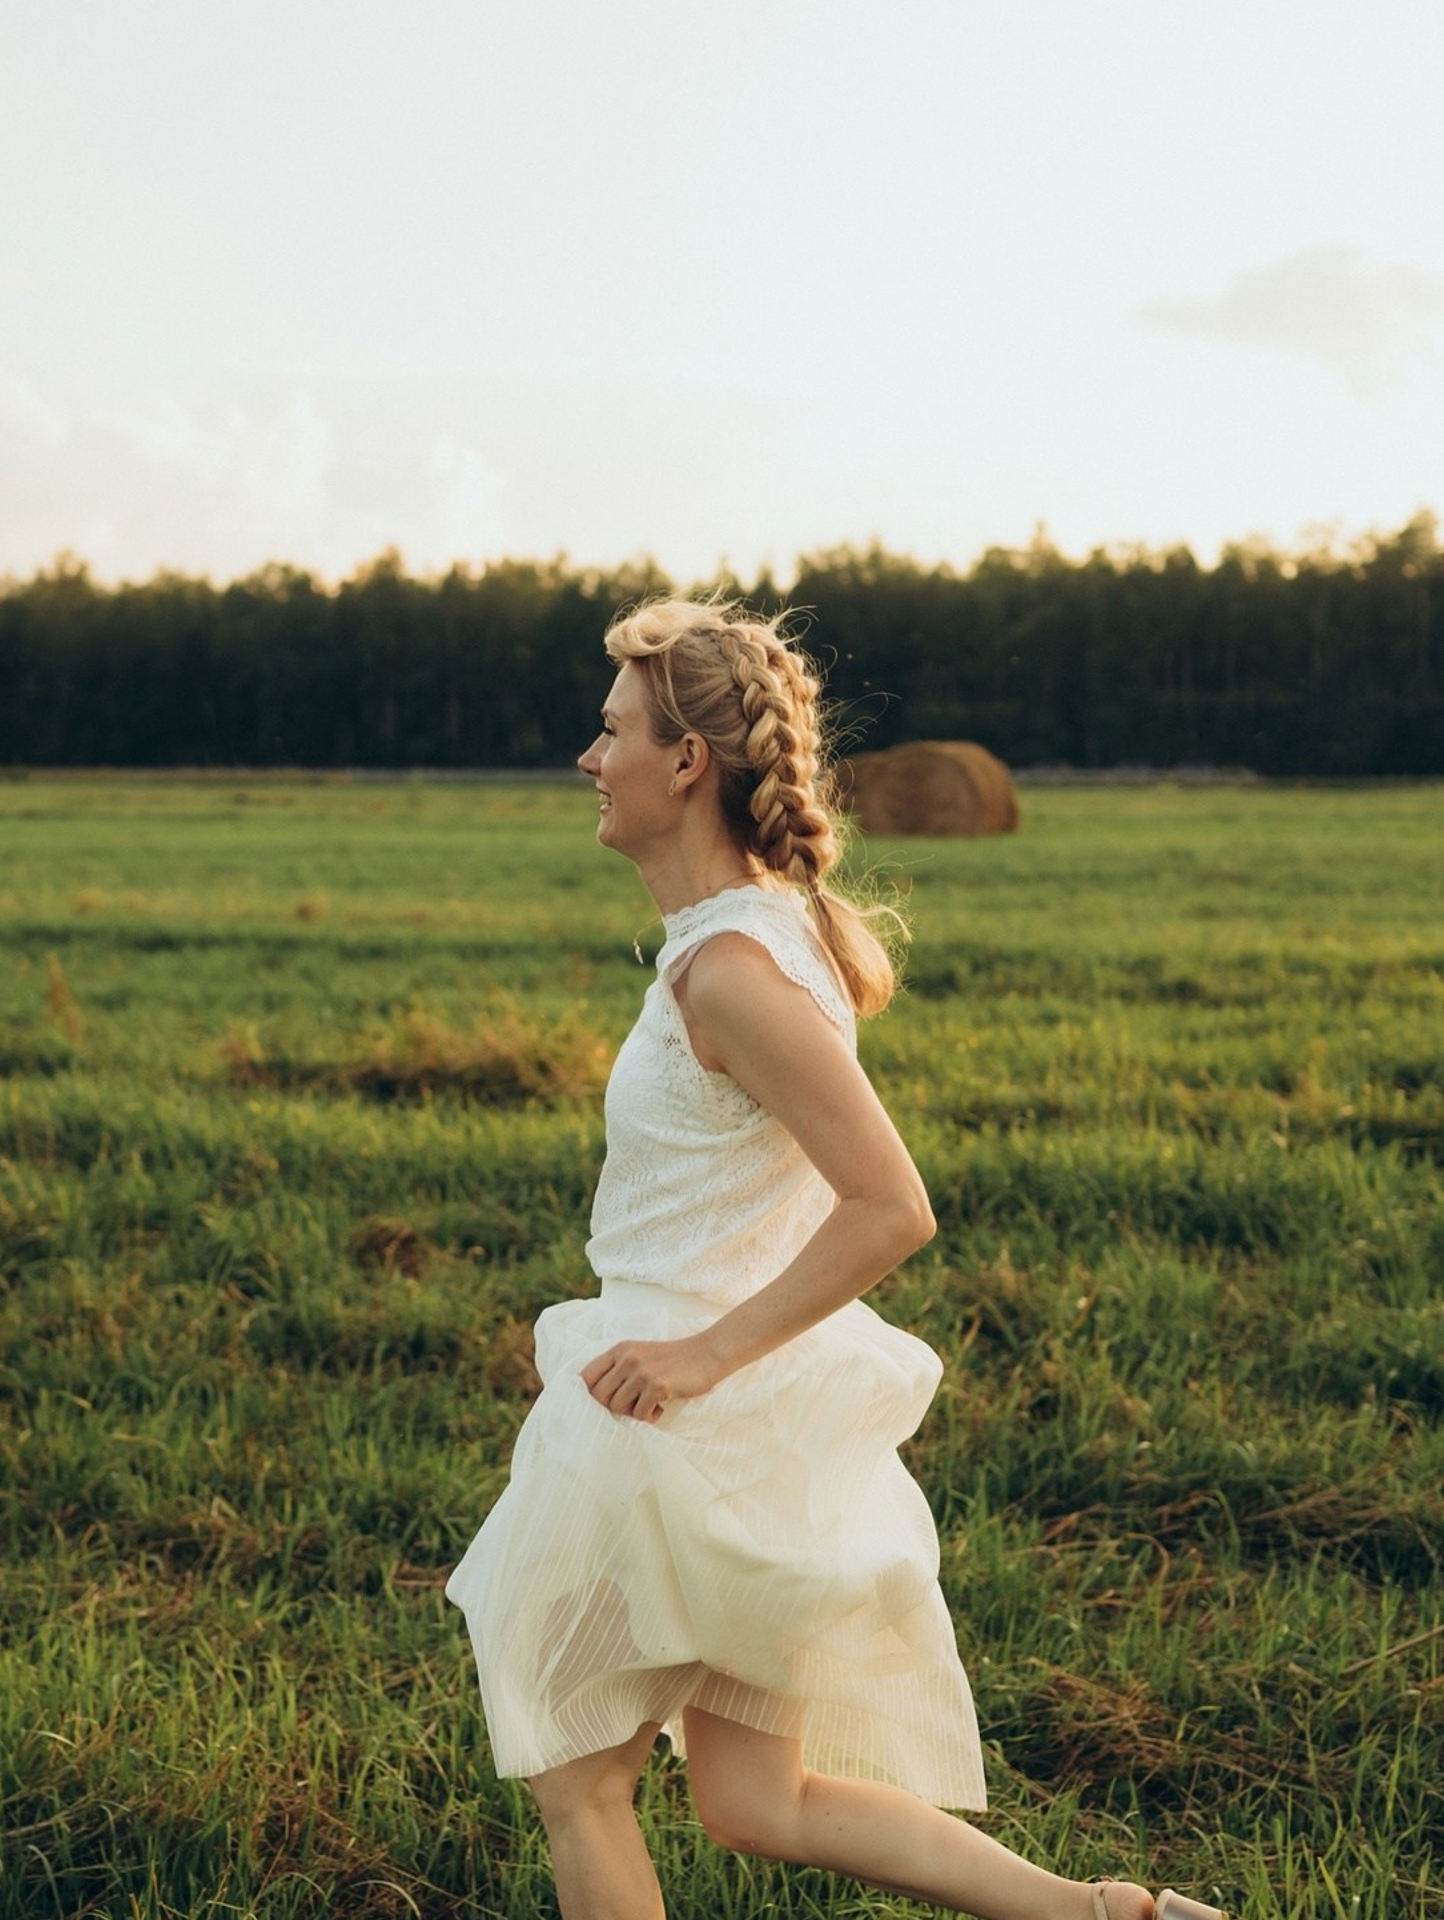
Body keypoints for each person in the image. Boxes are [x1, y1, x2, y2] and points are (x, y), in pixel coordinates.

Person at [444, 599, 1224, 1920]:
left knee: (580, 1783)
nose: (591, 757)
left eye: (612, 729)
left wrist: (699, 1354)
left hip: (668, 1418)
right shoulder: (749, 936)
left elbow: (889, 1205)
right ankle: (1111, 1917)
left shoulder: (734, 971)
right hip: (731, 1427)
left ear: (686, 762)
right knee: (761, 1803)